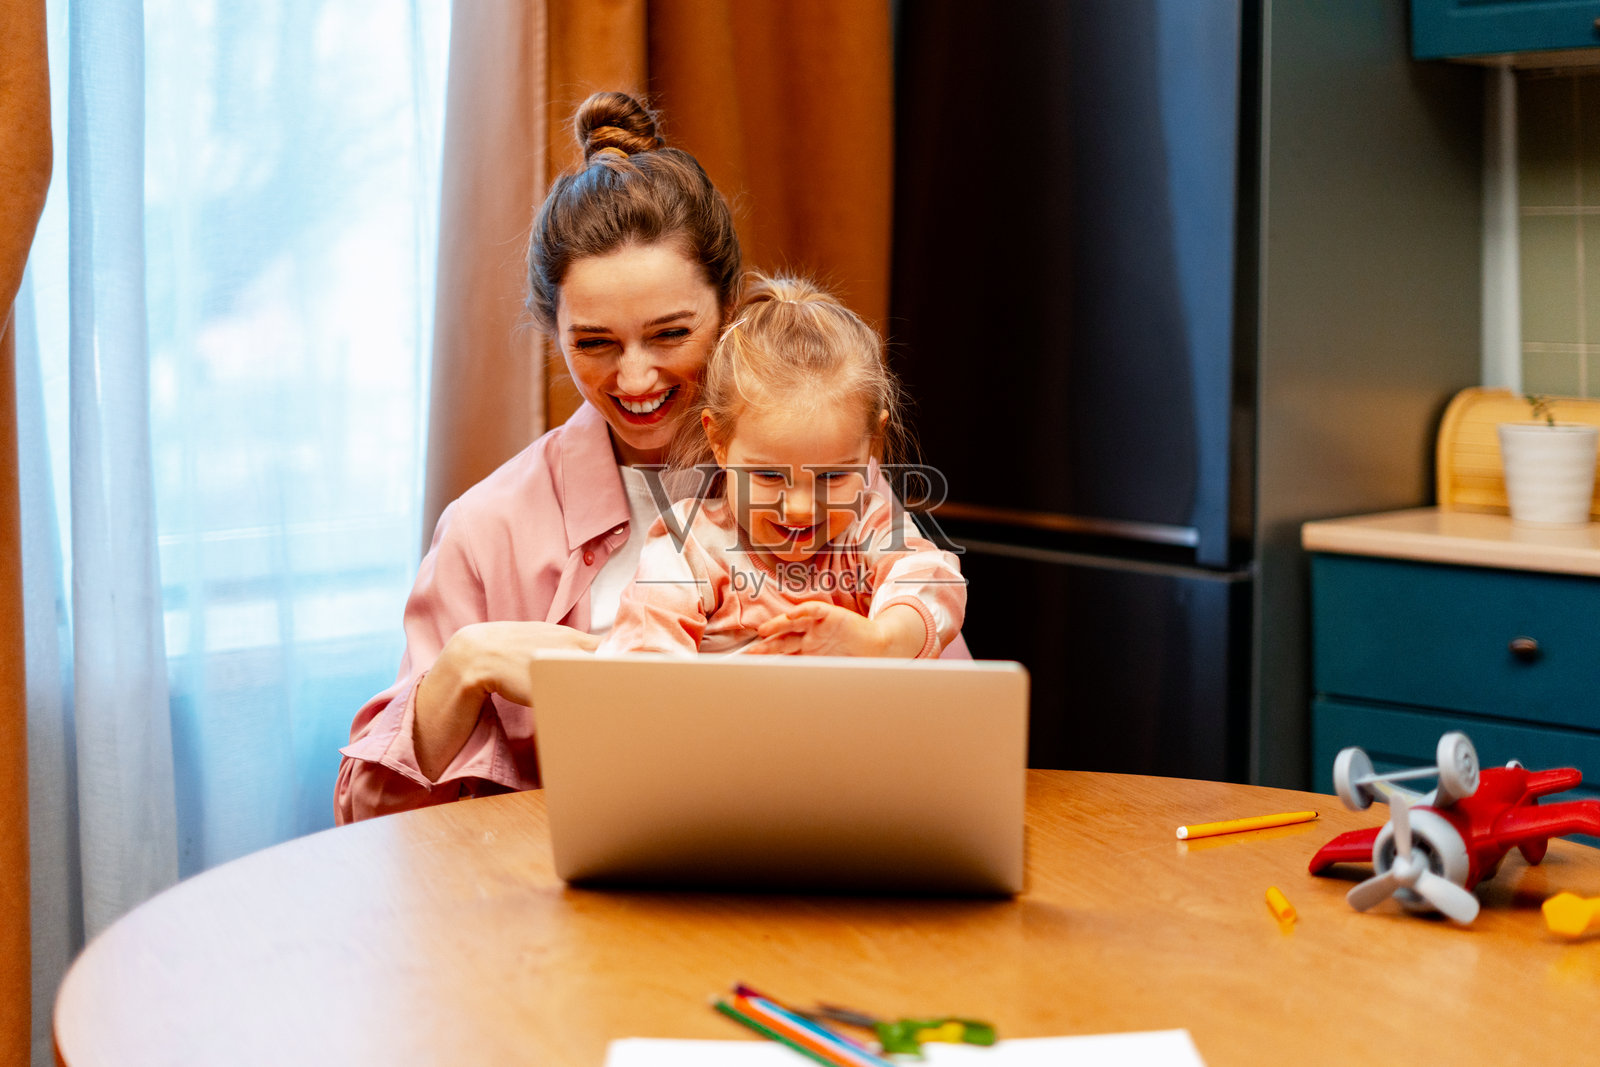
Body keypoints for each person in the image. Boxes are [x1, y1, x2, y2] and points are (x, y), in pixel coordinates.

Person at [336, 91, 967, 824]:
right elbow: (368, 821)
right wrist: (464, 663)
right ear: (554, 329)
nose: (634, 380)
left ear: (729, 307)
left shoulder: (826, 489)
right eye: (595, 343)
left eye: (669, 334)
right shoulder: (490, 528)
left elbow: (953, 733)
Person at [600, 273, 965, 657]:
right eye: (770, 475)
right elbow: (643, 658)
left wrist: (881, 640)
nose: (800, 509)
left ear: (872, 442)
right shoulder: (689, 546)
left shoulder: (869, 526)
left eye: (834, 475)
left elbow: (931, 582)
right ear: (719, 442)